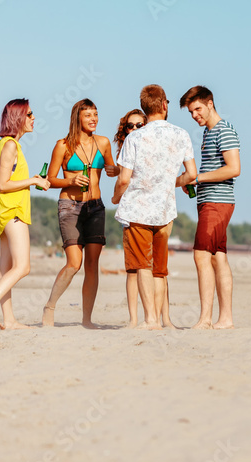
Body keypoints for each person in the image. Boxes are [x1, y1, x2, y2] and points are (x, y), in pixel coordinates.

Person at [112, 85, 197, 330]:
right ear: (164, 105)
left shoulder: (134, 138)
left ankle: (149, 320)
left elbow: (124, 178)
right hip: (165, 211)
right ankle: (161, 320)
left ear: (146, 108)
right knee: (160, 269)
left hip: (138, 210)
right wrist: (172, 183)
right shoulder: (181, 134)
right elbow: (191, 174)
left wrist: (117, 197)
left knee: (142, 266)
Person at [42, 99, 118, 328]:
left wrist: (116, 170)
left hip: (95, 207)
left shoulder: (103, 143)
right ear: (78, 118)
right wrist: (70, 179)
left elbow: (111, 170)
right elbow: (49, 179)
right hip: (70, 207)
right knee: (74, 263)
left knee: (92, 264)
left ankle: (87, 319)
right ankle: (50, 307)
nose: (93, 118)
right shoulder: (63, 145)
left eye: (95, 114)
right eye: (88, 115)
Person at [0, 99, 50, 329]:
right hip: (12, 212)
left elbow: (8, 181)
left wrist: (31, 180)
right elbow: (3, 185)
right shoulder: (9, 145)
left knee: (5, 269)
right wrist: (34, 180)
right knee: (23, 267)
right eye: (29, 114)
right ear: (18, 118)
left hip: (6, 212)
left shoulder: (8, 145)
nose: (33, 118)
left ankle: (9, 320)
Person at [179, 86, 241, 329]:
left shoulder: (224, 130)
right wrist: (194, 181)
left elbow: (234, 168)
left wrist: (198, 178)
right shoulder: (209, 132)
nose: (195, 115)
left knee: (201, 255)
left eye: (197, 109)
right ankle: (225, 319)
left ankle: (205, 319)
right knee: (218, 257)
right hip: (209, 201)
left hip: (217, 202)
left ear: (210, 103)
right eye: (191, 112)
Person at [114, 108, 174, 328]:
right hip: (136, 212)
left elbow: (123, 181)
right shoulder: (127, 148)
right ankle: (134, 319)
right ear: (125, 129)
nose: (135, 128)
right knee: (134, 268)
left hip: (159, 211)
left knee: (158, 269)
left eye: (140, 125)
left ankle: (162, 318)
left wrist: (115, 196)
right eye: (131, 125)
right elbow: (122, 178)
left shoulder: (153, 144)